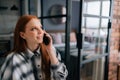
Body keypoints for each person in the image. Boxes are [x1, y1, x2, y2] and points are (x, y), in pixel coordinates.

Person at [0, 15, 68, 80]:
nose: (41, 31)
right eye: (33, 29)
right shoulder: (13, 59)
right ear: (23, 35)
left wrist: (50, 51)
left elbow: (61, 78)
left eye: (41, 28)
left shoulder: (51, 50)